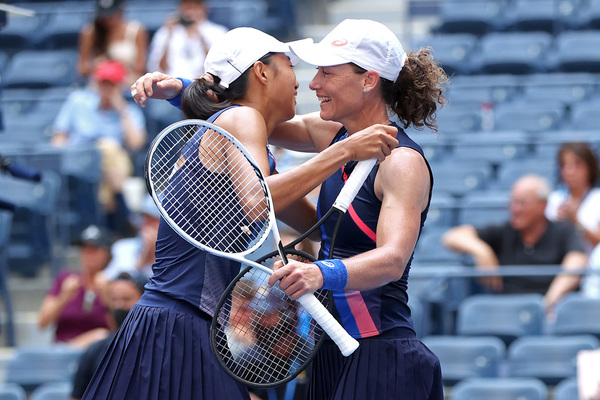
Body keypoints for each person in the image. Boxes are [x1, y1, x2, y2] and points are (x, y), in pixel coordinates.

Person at [84, 26, 398, 400]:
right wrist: (344, 153)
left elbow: (314, 227)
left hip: (179, 320)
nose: (306, 81)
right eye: (289, 64)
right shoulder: (241, 119)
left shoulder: (243, 132)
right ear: (262, 73)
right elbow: (259, 201)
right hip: (180, 322)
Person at [442, 174, 589, 314]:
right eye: (513, 202)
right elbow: (451, 237)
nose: (515, 209)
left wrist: (548, 302)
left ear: (543, 205)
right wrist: (482, 250)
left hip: (551, 311)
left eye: (522, 203)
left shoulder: (563, 230)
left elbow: (577, 262)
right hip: (505, 313)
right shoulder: (505, 231)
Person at [52, 59, 147, 236]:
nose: (106, 88)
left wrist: (121, 110)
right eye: (103, 83)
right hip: (79, 161)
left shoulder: (129, 111)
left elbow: (136, 143)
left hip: (112, 166)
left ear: (119, 85)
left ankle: (108, 213)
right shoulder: (78, 101)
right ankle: (122, 213)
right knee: (105, 148)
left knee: (108, 148)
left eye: (111, 84)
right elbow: (59, 137)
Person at [71, 271, 148, 400]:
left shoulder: (159, 349)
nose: (119, 306)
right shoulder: (95, 351)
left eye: (126, 299)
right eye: (114, 300)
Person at [38, 225, 115, 349]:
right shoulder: (66, 280)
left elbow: (118, 329)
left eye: (94, 250)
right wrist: (64, 298)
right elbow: (42, 323)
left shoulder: (115, 285)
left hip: (98, 355)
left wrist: (107, 298)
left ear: (107, 254)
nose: (88, 255)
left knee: (102, 335)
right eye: (84, 250)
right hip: (63, 352)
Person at [147, 0, 228, 79]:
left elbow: (219, 69)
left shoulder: (218, 32)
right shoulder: (165, 32)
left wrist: (200, 37)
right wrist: (169, 35)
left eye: (195, 6)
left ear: (204, 8)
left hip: (202, 86)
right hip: (172, 83)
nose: (190, 11)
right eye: (187, 6)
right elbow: (157, 68)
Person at [545, 141, 600, 252]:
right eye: (564, 165)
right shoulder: (553, 199)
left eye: (577, 164)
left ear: (590, 167)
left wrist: (575, 221)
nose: (570, 171)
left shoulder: (597, 198)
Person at [78, 0, 148, 84]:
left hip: (127, 83)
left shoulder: (136, 30)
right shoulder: (90, 32)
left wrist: (117, 66)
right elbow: (82, 69)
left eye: (112, 15)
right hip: (100, 84)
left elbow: (140, 67)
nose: (108, 20)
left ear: (120, 12)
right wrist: (97, 65)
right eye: (104, 16)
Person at [101, 194, 161, 280]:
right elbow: (104, 282)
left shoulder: (177, 255)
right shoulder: (123, 248)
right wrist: (144, 256)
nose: (147, 225)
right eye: (145, 218)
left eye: (153, 220)